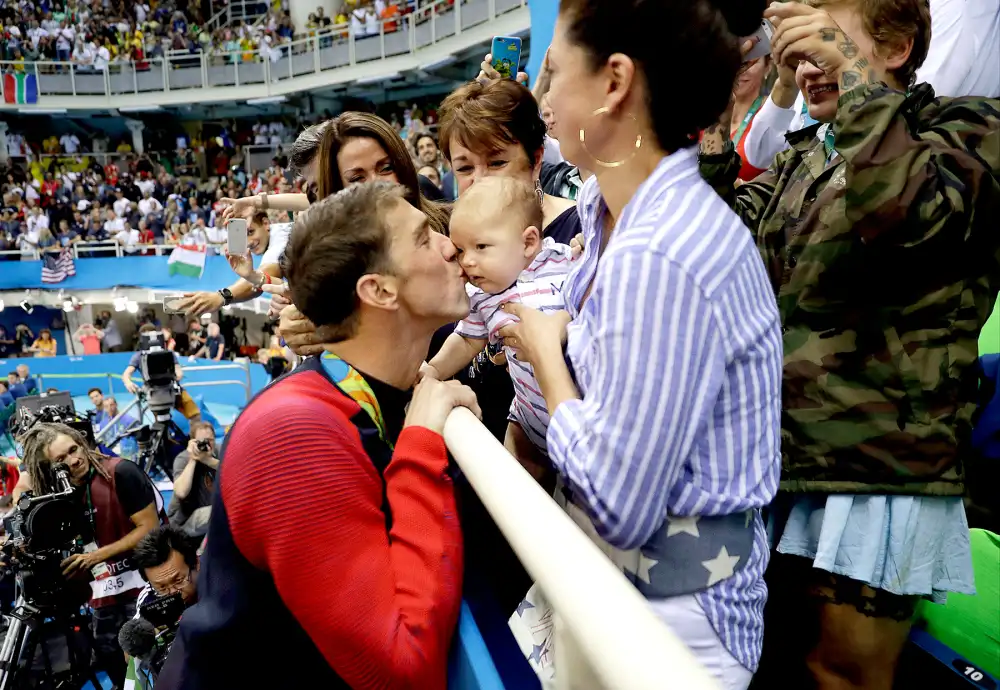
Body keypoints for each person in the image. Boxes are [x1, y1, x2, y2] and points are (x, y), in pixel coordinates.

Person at [697, 1, 998, 688]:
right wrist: (713, 112)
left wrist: (851, 72)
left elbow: (900, 215)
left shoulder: (971, 128)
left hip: (881, 471)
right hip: (784, 462)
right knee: (777, 662)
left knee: (843, 677)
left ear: (894, 46)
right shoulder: (807, 154)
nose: (809, 66)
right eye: (798, 51)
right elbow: (715, 245)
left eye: (824, 45)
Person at [500, 1, 781, 688]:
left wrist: (545, 358)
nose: (540, 96)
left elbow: (621, 504)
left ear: (614, 82)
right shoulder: (612, 216)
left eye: (555, 70)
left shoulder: (663, 250)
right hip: (629, 602)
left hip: (675, 632)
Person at [157, 182, 477, 690]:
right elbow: (400, 670)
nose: (450, 244)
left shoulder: (370, 394)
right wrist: (421, 444)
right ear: (379, 290)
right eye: (423, 238)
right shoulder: (294, 432)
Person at [422, 177, 573, 479]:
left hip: (576, 414)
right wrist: (432, 371)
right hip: (528, 424)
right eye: (462, 250)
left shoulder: (565, 261)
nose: (469, 262)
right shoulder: (483, 298)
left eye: (481, 246)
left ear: (529, 242)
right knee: (518, 498)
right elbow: (465, 340)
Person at [18, 422, 163, 688]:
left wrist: (96, 557)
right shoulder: (59, 494)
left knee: (154, 665)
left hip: (146, 586)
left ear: (81, 442)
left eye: (74, 449)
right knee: (116, 667)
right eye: (61, 459)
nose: (74, 460)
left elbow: (149, 528)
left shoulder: (121, 471)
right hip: (102, 595)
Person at [438, 78, 581, 246]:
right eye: (465, 168)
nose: (480, 180)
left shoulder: (585, 229)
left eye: (497, 163)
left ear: (535, 160)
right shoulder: (450, 245)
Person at [122, 325, 201, 423]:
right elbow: (126, 374)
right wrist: (128, 383)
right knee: (160, 423)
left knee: (195, 416)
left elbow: (178, 371)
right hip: (154, 394)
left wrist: (175, 375)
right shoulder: (139, 356)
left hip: (174, 390)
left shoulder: (168, 353)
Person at [168, 422, 218, 538]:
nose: (207, 445)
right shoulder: (183, 458)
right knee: (219, 512)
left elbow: (235, 473)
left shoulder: (219, 451)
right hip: (184, 521)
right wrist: (193, 459)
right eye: (202, 441)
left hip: (207, 514)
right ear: (193, 442)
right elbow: (181, 492)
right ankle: (203, 553)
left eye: (210, 440)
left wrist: (209, 460)